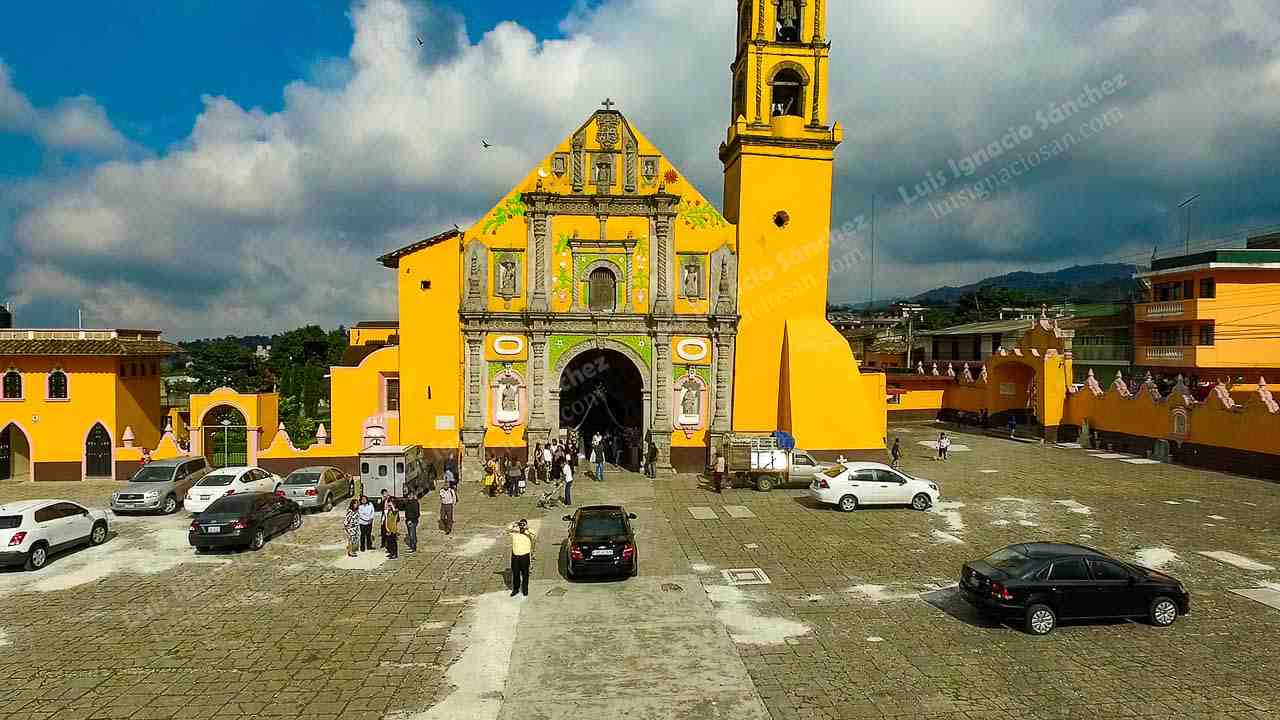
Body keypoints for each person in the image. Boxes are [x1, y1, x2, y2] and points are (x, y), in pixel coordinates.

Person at [508, 518, 535, 597]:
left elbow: (534, 533)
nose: (522, 526)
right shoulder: (514, 533)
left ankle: (525, 589)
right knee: (515, 574)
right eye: (521, 524)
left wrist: (527, 528)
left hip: (525, 556)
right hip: (515, 556)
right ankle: (515, 589)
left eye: (523, 524)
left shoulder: (529, 534)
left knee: (525, 574)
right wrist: (514, 524)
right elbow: (508, 529)